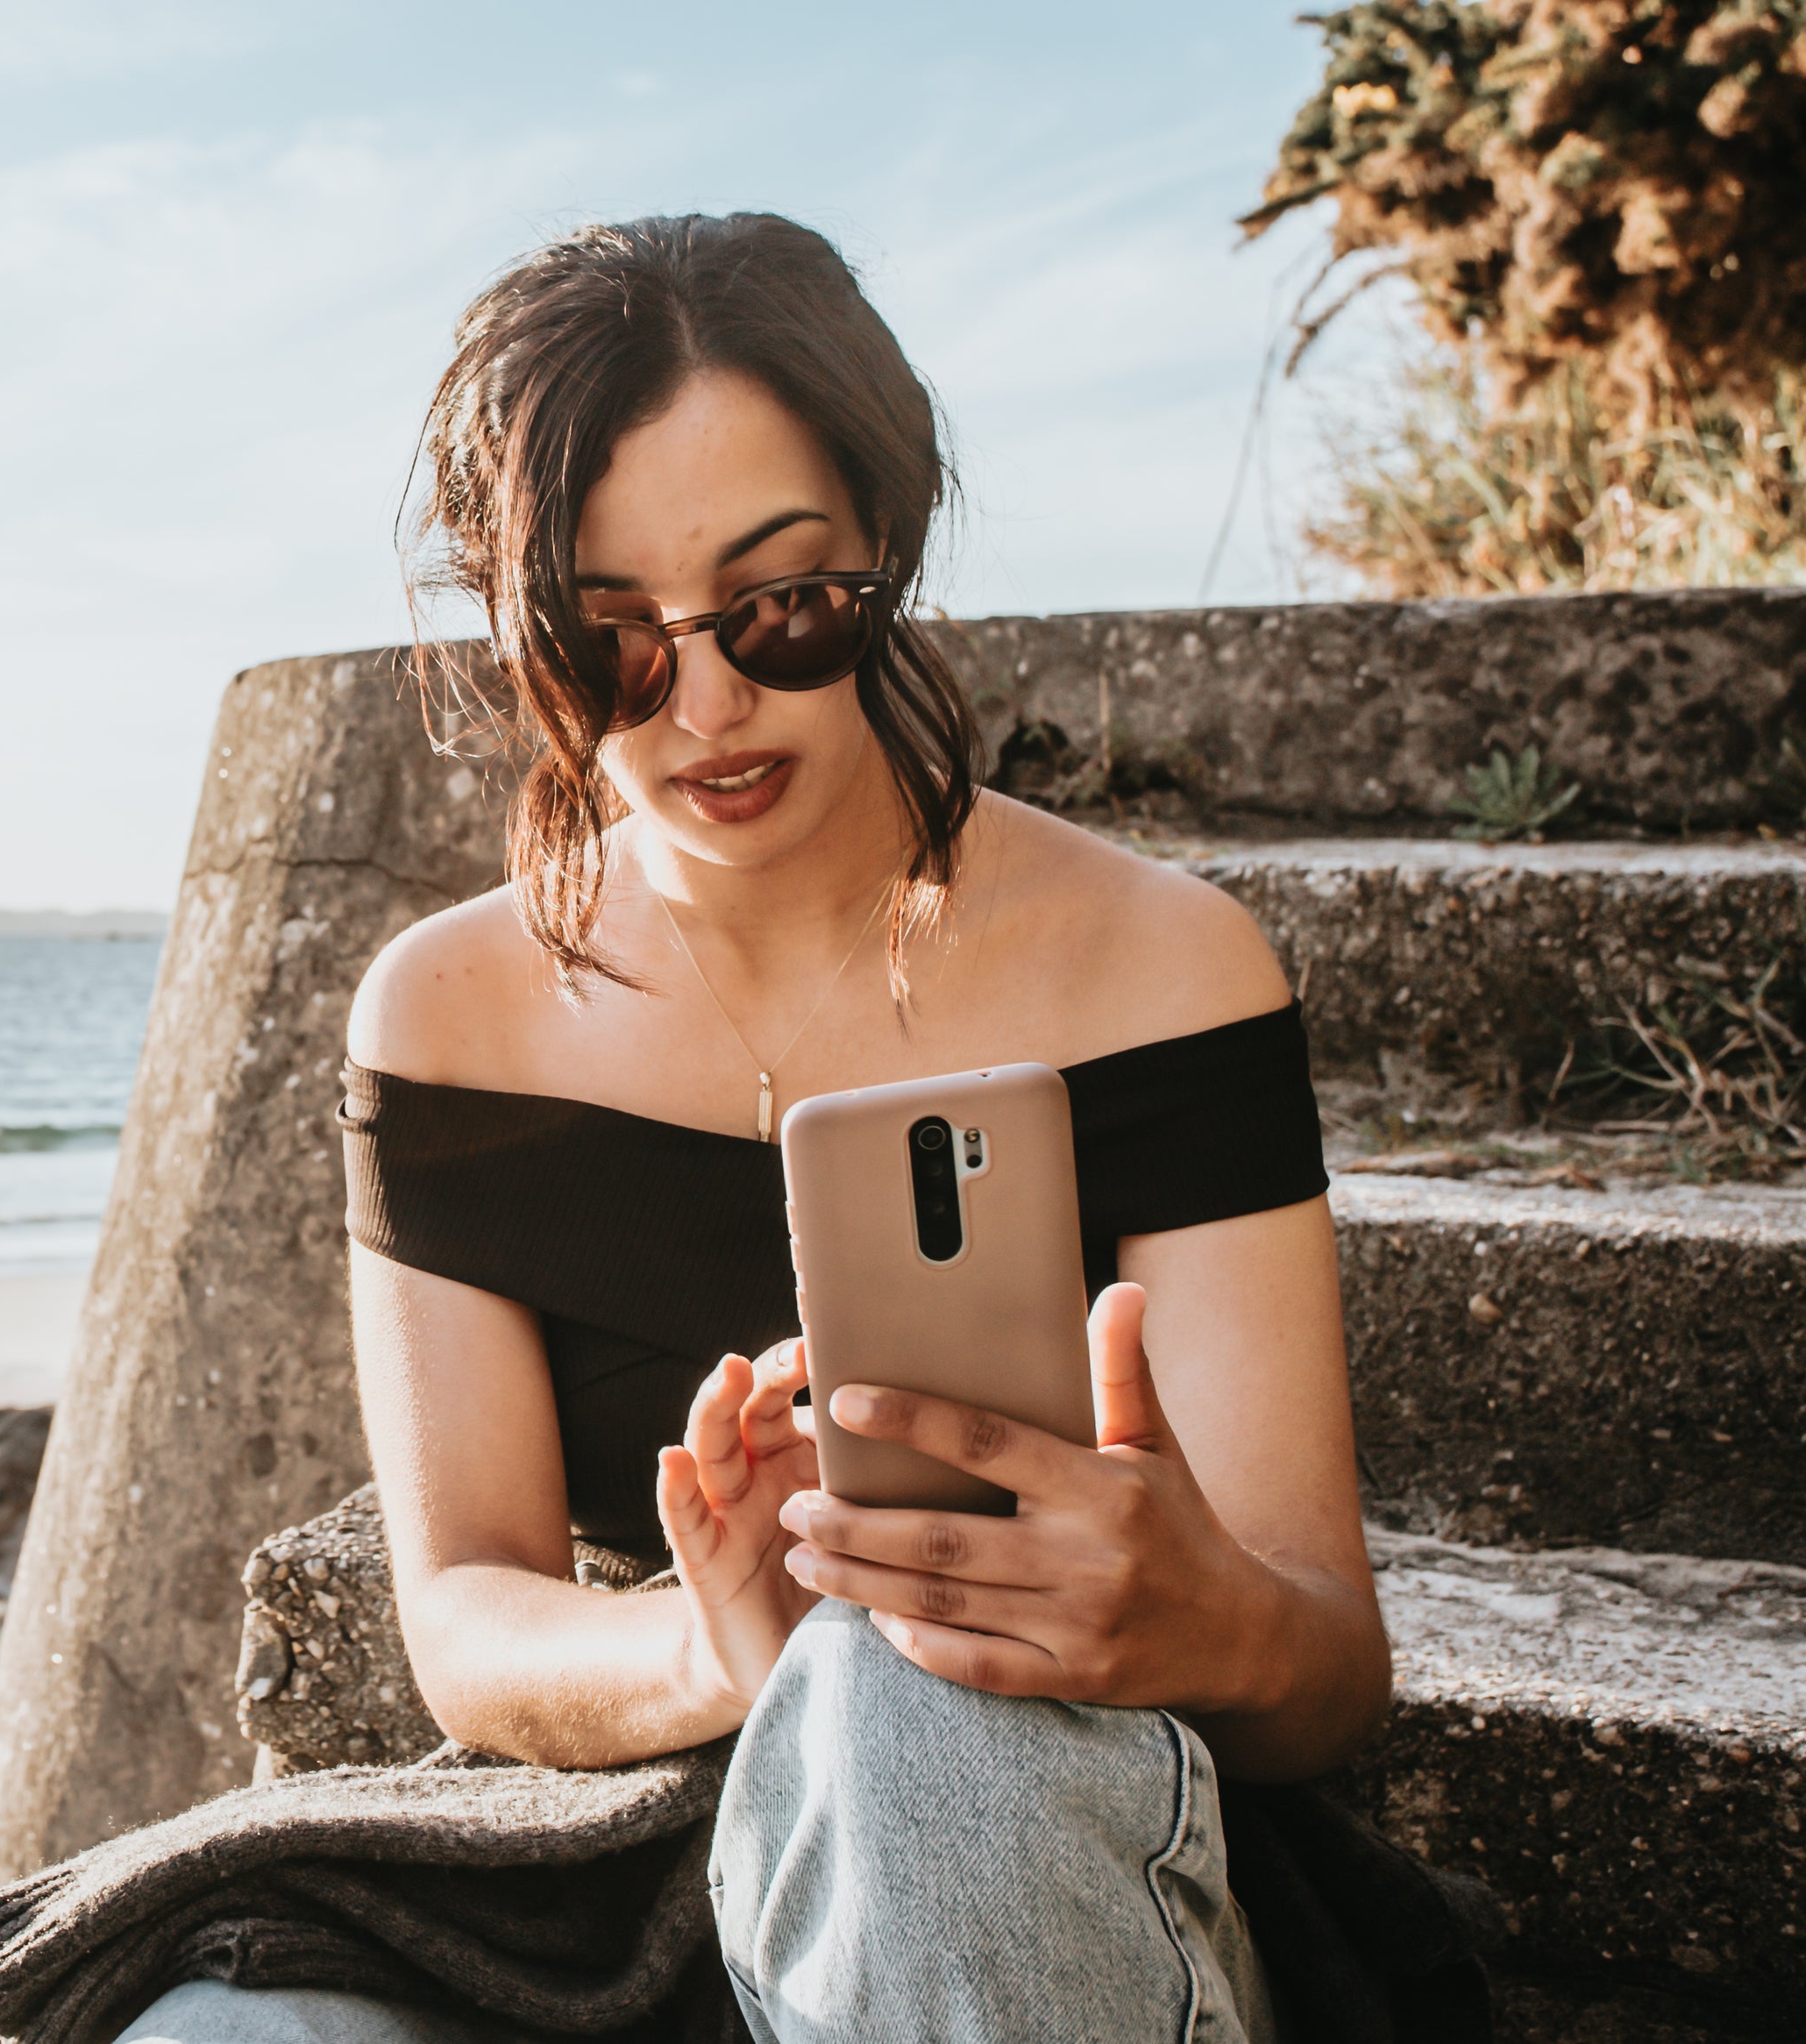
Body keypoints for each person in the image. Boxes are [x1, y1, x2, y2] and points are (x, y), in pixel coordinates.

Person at [118, 215, 1388, 2044]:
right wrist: (711, 1646)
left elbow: (1322, 1663)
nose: (704, 703)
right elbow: (466, 1609)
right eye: (607, 636)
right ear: (513, 631)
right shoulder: (443, 1010)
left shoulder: (1159, 968)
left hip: (1053, 1847)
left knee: (907, 1702)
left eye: (778, 605)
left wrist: (1192, 1616)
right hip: (653, 1842)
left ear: (884, 544)